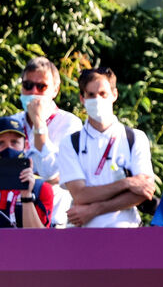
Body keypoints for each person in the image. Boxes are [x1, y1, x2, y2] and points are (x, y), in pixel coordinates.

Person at [55, 67, 156, 228]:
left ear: (114, 94)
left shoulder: (135, 138)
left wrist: (95, 209)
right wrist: (127, 183)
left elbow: (145, 191)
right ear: (82, 98)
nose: (97, 99)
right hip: (84, 234)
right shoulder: (70, 143)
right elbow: (80, 195)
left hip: (126, 230)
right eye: (91, 95)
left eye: (103, 94)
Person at [7, 56, 81, 226]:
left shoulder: (70, 124)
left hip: (54, 222)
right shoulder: (11, 123)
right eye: (28, 85)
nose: (33, 92)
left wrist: (39, 124)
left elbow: (52, 173)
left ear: (55, 90)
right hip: (12, 221)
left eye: (41, 87)